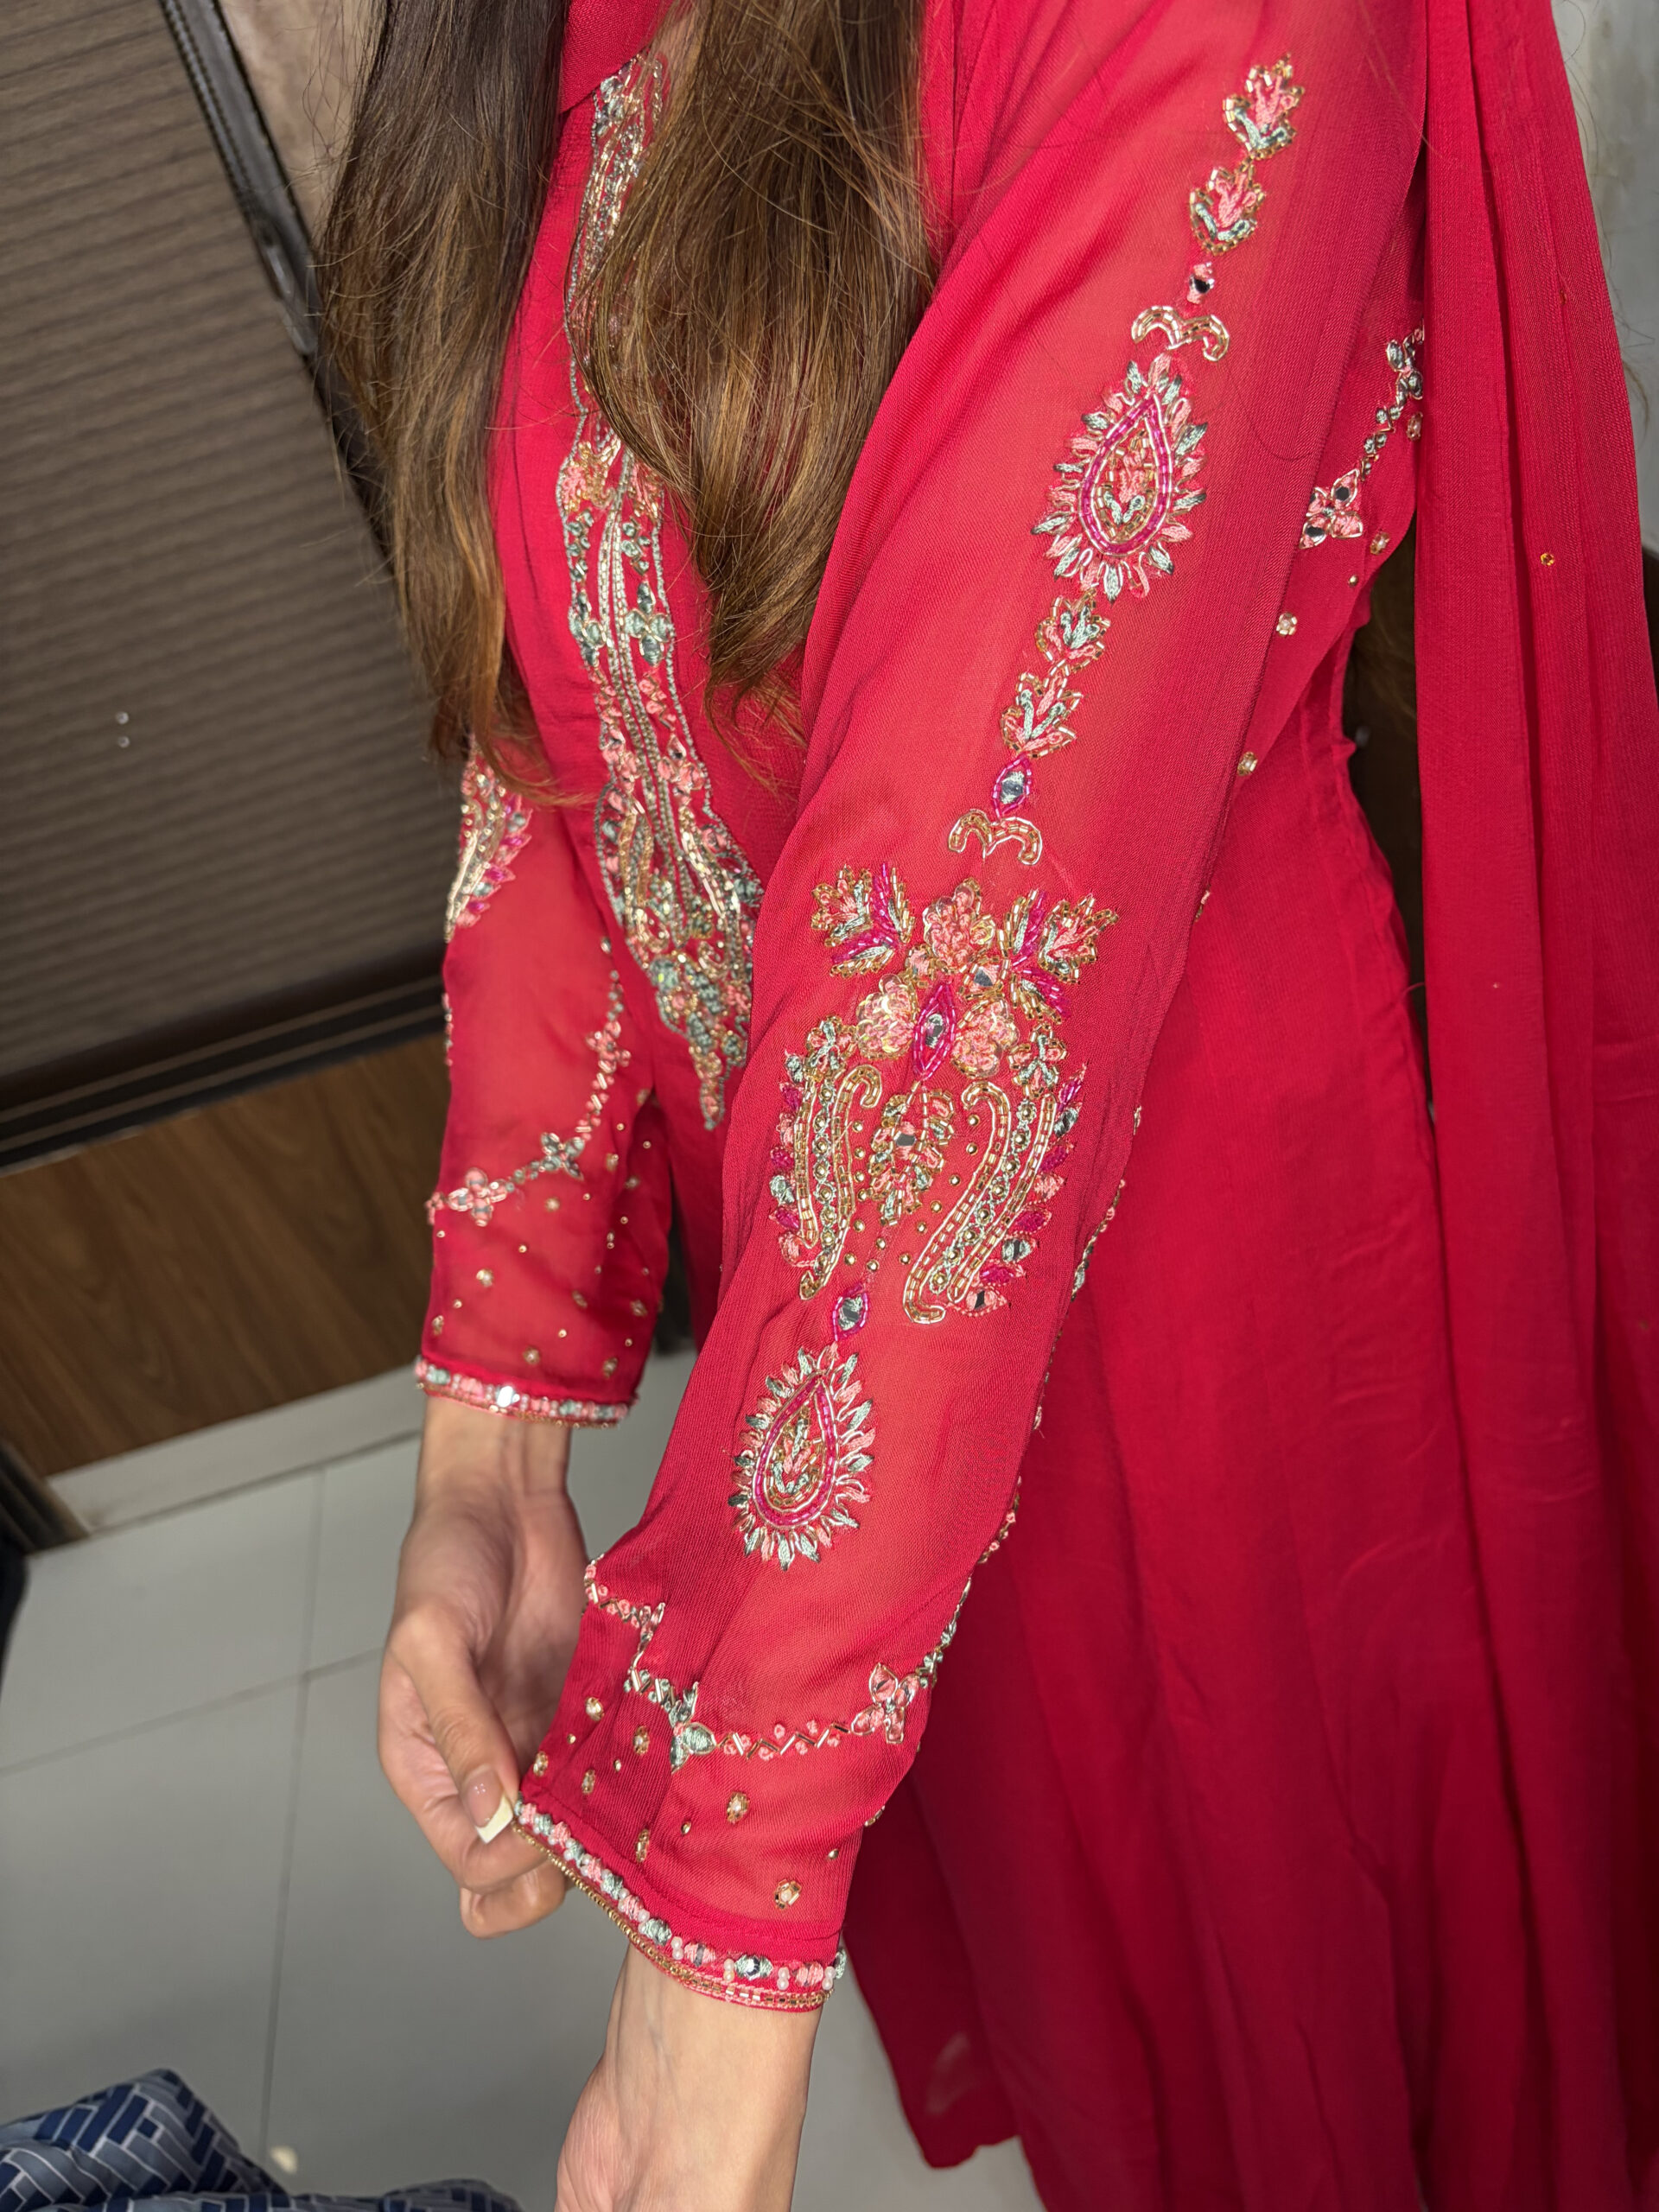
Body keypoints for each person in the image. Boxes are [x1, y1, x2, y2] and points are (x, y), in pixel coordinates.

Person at [319, 0, 1659, 2203]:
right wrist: (497, 1437)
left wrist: (725, 1884)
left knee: (1313, 2021)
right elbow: (565, 711)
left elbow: (967, 921)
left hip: (1204, 1340)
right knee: (1126, 2033)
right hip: (858, 1405)